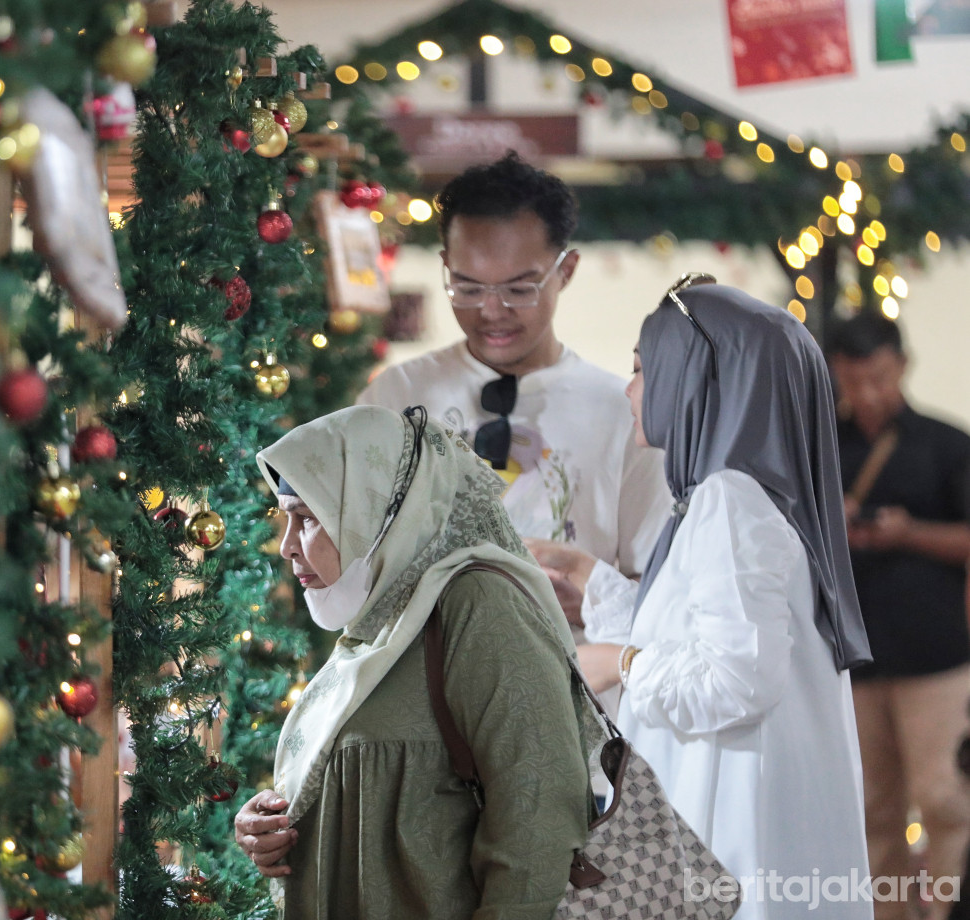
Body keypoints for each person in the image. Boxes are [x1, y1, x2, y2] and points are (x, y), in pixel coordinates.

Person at [529, 277, 873, 919]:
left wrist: (618, 664)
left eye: (641, 368)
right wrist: (594, 581)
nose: (630, 390)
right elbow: (703, 634)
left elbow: (737, 677)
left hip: (729, 821)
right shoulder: (733, 498)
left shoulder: (729, 501)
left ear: (696, 379)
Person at [233, 404, 598, 920]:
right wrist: (267, 828)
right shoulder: (379, 621)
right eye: (286, 519)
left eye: (308, 518)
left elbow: (539, 819)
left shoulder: (478, 605)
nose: (288, 547)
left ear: (375, 509)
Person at [356, 151, 670, 624]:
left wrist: (595, 603)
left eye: (520, 289)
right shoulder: (396, 398)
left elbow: (664, 588)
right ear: (445, 265)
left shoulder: (626, 411)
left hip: (579, 686)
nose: (492, 310)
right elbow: (351, 554)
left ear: (566, 270)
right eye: (467, 287)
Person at [827, 310, 970, 920]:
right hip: (848, 660)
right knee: (868, 810)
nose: (867, 392)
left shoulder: (946, 443)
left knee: (946, 800)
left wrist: (909, 533)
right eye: (853, 379)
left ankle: (948, 911)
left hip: (936, 653)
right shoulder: (820, 447)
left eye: (879, 377)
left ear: (902, 366)